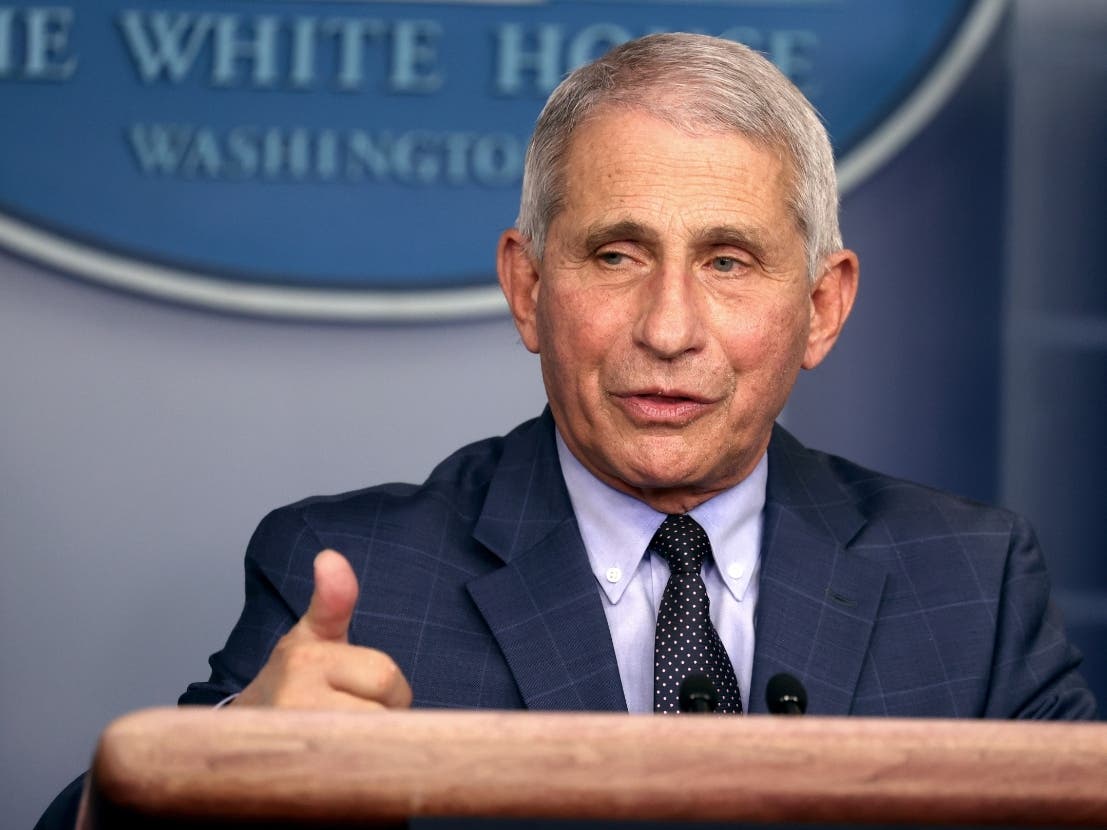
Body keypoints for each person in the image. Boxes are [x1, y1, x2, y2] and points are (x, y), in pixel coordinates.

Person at [37, 30, 1096, 830]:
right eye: (616, 254)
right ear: (527, 288)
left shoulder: (972, 580)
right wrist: (217, 767)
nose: (670, 329)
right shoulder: (358, 580)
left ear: (821, 307)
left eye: (728, 260)